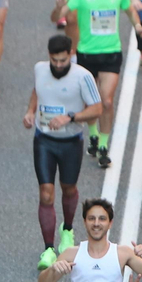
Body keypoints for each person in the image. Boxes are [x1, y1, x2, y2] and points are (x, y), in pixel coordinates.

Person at [50, 0, 142, 170]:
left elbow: (129, 10)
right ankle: (93, 133)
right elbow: (55, 18)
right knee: (91, 101)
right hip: (87, 54)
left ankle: (103, 146)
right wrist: (59, 7)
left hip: (111, 53)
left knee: (107, 101)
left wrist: (137, 26)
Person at [27, 34, 102, 270]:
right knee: (46, 194)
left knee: (68, 188)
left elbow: (97, 109)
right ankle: (48, 249)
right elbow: (37, 91)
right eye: (54, 61)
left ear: (70, 55)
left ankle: (67, 229)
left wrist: (70, 117)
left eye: (62, 61)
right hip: (44, 140)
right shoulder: (40, 69)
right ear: (48, 56)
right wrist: (30, 112)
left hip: (70, 141)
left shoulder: (83, 76)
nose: (58, 65)